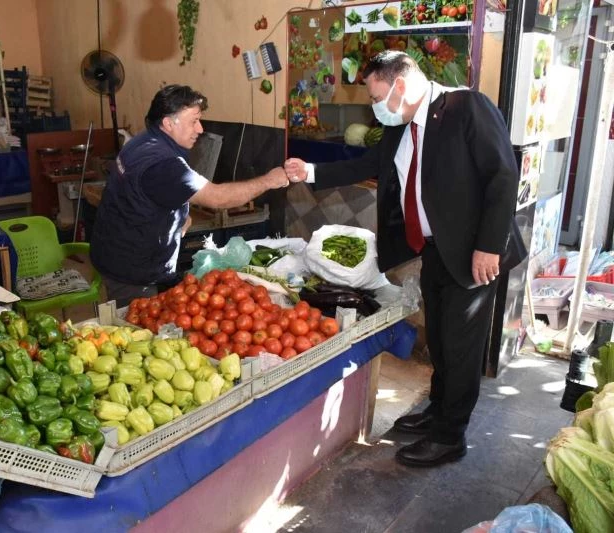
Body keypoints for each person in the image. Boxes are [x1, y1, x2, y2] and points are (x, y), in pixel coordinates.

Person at [284, 51, 525, 467]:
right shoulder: (400, 127)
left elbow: (503, 175)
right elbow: (367, 163)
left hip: (474, 252)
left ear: (402, 85)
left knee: (462, 344)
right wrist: (310, 172)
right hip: (434, 249)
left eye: (378, 97)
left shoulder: (466, 107)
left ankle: (451, 437)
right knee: (443, 342)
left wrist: (489, 245)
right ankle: (437, 411)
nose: (376, 109)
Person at [91, 84, 289, 307]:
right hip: (133, 273)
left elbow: (150, 192)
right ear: (168, 123)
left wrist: (178, 215)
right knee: (139, 331)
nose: (200, 129)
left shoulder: (142, 141)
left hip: (114, 254)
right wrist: (270, 180)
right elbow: (217, 198)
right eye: (193, 121)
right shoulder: (163, 163)